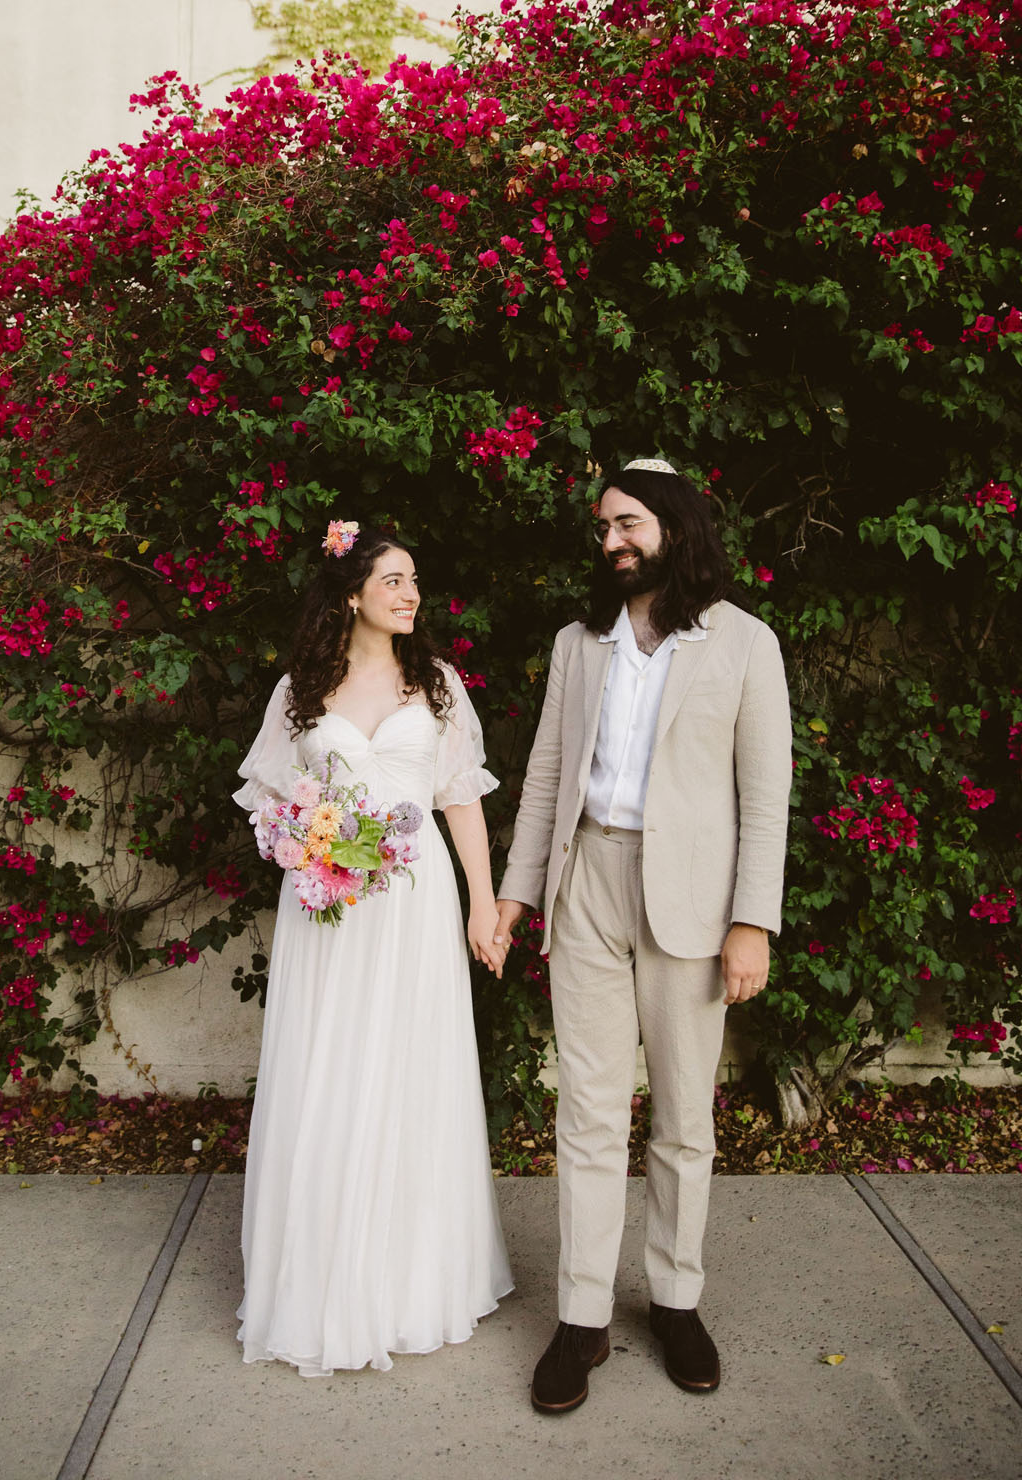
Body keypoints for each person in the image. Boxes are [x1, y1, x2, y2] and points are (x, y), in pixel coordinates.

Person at [494, 458, 792, 1412]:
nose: (611, 542)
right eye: (603, 529)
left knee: (682, 1118)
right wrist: (515, 894)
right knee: (584, 1112)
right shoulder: (580, 643)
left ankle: (675, 1298)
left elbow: (766, 800)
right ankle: (580, 1320)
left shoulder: (745, 645)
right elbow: (545, 777)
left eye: (627, 524)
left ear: (673, 524)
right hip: (587, 883)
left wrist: (753, 923)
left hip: (694, 905)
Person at [233, 519, 513, 1376]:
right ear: (352, 593)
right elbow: (268, 800)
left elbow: (460, 796)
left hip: (416, 893)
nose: (410, 593)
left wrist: (483, 903)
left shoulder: (437, 685)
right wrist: (304, 845)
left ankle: (409, 1279)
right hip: (331, 904)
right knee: (331, 1066)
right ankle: (320, 1279)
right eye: (393, 579)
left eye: (415, 579)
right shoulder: (301, 690)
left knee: (409, 1066)